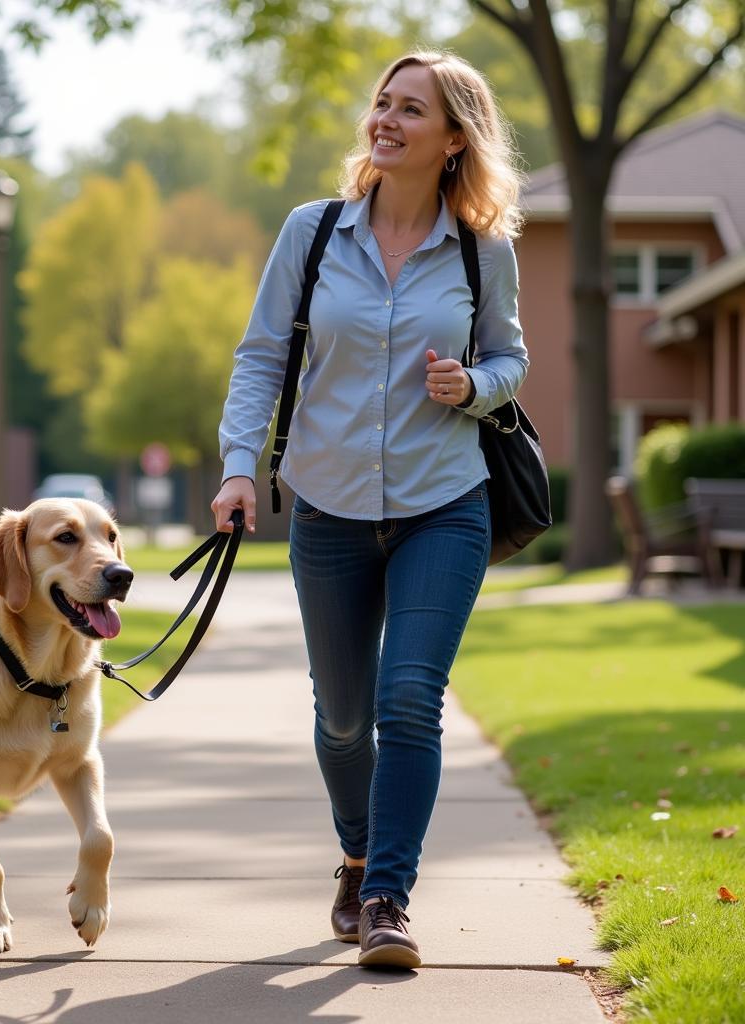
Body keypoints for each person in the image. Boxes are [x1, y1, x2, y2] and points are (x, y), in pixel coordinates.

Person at [211, 49, 528, 969]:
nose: (385, 119)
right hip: (330, 506)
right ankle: (356, 853)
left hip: (445, 501)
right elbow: (261, 356)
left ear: (454, 138)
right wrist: (239, 468)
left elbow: (512, 362)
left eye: (410, 109)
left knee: (409, 700)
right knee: (344, 716)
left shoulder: (483, 250)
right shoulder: (312, 234)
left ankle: (387, 896)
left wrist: (471, 384)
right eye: (382, 103)